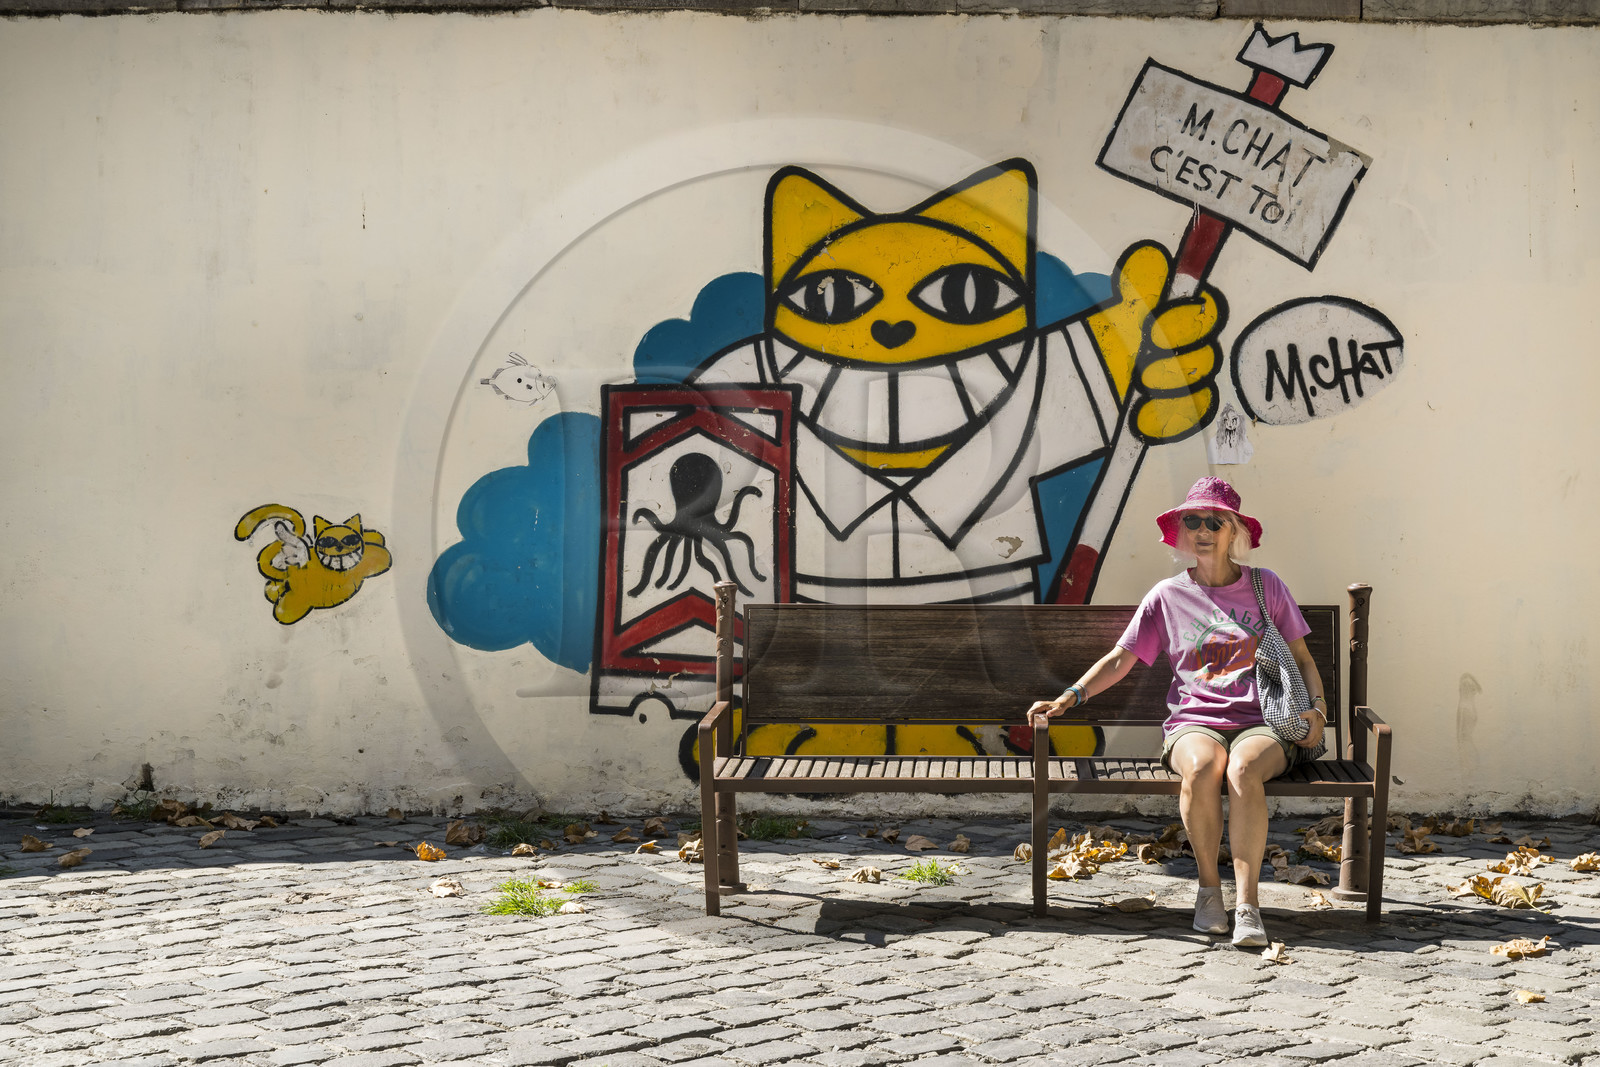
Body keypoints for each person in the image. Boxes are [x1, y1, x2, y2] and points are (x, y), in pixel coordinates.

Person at [1029, 476, 1326, 946]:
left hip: (1263, 722)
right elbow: (1121, 659)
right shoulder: (1167, 596)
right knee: (1204, 766)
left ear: (1235, 532)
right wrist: (1071, 695)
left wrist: (1318, 711)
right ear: (1183, 530)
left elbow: (1304, 661)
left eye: (1215, 521)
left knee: (1243, 768)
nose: (1203, 530)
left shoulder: (1266, 586)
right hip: (1194, 722)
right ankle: (1209, 890)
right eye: (1194, 520)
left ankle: (1248, 905)